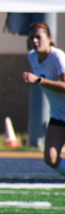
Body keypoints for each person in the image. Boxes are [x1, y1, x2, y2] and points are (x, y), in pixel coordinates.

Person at [22, 22, 65, 177]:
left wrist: (39, 80)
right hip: (58, 115)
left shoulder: (57, 57)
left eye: (38, 37)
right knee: (50, 158)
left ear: (49, 38)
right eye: (31, 37)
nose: (34, 41)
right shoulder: (32, 57)